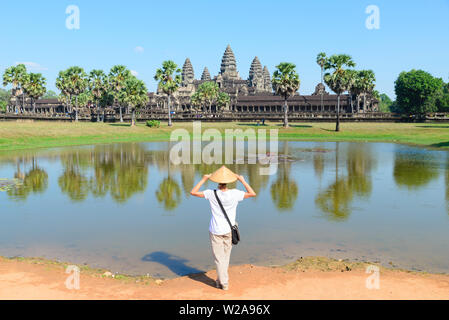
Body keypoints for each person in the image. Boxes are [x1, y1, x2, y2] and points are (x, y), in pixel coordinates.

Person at [190, 166, 256, 291]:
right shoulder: (235, 193)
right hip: (229, 230)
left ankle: (224, 283)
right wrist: (242, 180)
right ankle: (220, 280)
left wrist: (203, 179)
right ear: (229, 182)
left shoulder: (211, 193)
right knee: (225, 257)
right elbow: (253, 193)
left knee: (219, 258)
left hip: (215, 230)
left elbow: (193, 192)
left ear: (217, 182)